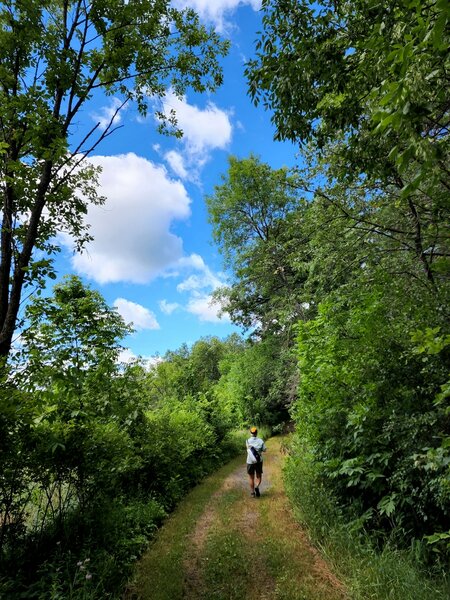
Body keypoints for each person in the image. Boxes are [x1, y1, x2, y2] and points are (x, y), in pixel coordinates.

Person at [246, 426, 266, 497]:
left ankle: (252, 493)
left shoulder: (247, 441)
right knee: (258, 476)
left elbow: (248, 449)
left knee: (251, 477)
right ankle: (257, 487)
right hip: (258, 461)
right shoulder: (260, 441)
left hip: (250, 461)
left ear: (250, 433)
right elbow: (264, 450)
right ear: (257, 433)